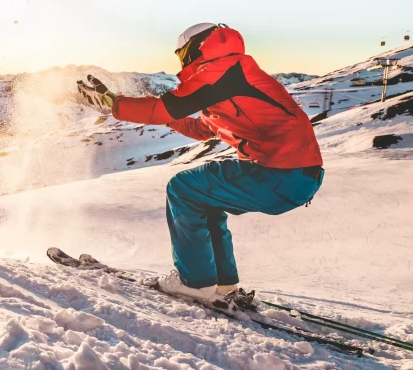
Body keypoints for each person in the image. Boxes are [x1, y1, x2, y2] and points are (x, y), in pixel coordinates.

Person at [77, 23, 323, 301]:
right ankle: (221, 284)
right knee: (205, 199)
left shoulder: (223, 71)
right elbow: (202, 129)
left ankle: (195, 282)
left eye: (182, 54)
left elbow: (165, 108)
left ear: (195, 48)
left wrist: (113, 103)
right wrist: (155, 112)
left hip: (280, 174)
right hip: (295, 177)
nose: (181, 62)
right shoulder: (232, 75)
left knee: (182, 187)